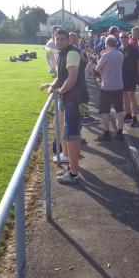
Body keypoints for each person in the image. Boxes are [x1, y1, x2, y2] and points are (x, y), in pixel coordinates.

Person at [49, 28, 88, 184]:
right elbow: (61, 76)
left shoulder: (71, 53)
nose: (59, 42)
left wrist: (60, 91)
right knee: (68, 135)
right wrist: (53, 86)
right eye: (56, 39)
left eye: (62, 39)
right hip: (69, 99)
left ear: (68, 40)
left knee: (71, 137)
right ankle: (71, 168)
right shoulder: (62, 54)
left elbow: (71, 78)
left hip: (74, 100)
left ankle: (74, 174)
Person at [95, 36, 125, 141]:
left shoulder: (105, 56)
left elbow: (97, 68)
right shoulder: (120, 54)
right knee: (119, 110)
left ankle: (107, 133)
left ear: (106, 44)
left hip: (107, 86)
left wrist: (101, 57)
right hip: (118, 85)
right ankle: (120, 132)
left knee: (105, 111)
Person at [120, 31, 139, 127]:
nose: (124, 39)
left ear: (128, 38)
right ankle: (128, 114)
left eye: (125, 37)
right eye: (122, 37)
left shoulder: (133, 49)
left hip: (132, 76)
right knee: (124, 95)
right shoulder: (119, 50)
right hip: (122, 76)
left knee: (131, 96)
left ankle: (134, 117)